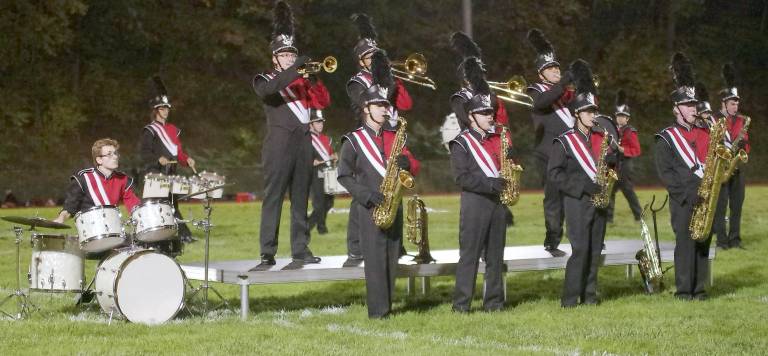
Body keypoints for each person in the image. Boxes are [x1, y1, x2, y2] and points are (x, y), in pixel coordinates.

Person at [251, 1, 330, 267]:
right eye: (284, 55)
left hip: (304, 143)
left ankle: (300, 248)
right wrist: (296, 69)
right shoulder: (263, 77)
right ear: (274, 58)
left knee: (300, 198)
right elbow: (269, 90)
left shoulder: (301, 80)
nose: (289, 58)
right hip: (278, 144)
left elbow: (323, 102)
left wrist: (314, 78)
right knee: (274, 198)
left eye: (291, 55)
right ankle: (267, 251)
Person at [336, 82, 419, 319]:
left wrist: (408, 165)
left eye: (386, 105)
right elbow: (344, 175)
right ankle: (378, 311)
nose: (385, 110)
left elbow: (413, 165)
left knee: (392, 258)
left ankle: (388, 305)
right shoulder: (353, 140)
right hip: (370, 205)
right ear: (366, 108)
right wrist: (366, 195)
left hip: (394, 202)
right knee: (374, 260)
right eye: (379, 105)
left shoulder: (395, 136)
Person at [344, 14, 413, 265]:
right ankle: (355, 247)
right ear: (361, 60)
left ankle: (397, 243)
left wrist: (394, 81)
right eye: (369, 56)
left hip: (392, 137)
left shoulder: (388, 79)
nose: (374, 60)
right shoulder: (356, 81)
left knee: (394, 189)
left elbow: (406, 104)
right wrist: (384, 82)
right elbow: (362, 102)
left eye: (376, 55)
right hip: (368, 139)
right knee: (362, 193)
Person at [449, 60, 510, 312]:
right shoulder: (460, 143)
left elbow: (505, 164)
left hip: (497, 203)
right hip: (475, 203)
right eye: (485, 114)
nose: (490, 116)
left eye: (490, 113)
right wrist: (490, 184)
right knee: (470, 256)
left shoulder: (498, 139)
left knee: (496, 256)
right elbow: (461, 177)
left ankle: (493, 303)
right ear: (471, 117)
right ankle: (461, 305)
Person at [548, 59, 608, 307]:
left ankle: (590, 296)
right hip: (576, 201)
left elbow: (606, 167)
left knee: (595, 251)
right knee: (581, 249)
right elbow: (555, 175)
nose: (593, 116)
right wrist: (582, 186)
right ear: (577, 114)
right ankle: (571, 299)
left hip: (599, 200)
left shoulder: (601, 138)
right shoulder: (563, 142)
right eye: (588, 112)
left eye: (594, 111)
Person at [654, 52, 712, 300]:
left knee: (703, 243)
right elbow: (665, 172)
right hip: (683, 200)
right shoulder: (666, 137)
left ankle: (699, 289)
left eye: (694, 105)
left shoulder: (705, 132)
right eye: (688, 105)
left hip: (707, 196)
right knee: (686, 243)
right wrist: (686, 196)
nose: (693, 109)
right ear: (676, 109)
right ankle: (684, 290)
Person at [525, 29, 575, 257]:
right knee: (554, 198)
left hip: (570, 152)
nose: (556, 70)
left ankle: (579, 238)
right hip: (548, 152)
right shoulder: (534, 90)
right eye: (551, 68)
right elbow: (542, 103)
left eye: (558, 67)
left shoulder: (565, 94)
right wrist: (563, 83)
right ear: (541, 73)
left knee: (575, 196)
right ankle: (552, 241)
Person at [139, 76, 196, 246]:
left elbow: (177, 152)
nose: (166, 111)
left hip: (171, 172)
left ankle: (180, 234)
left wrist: (187, 160)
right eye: (162, 109)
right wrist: (158, 159)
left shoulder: (172, 130)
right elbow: (144, 153)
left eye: (167, 108)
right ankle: (170, 234)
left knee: (172, 204)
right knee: (158, 205)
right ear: (156, 110)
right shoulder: (150, 130)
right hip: (155, 173)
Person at [54, 138, 140, 224]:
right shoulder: (84, 179)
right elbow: (70, 207)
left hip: (114, 230)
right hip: (91, 232)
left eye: (115, 153)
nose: (115, 157)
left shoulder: (122, 179)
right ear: (99, 160)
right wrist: (61, 218)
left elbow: (134, 206)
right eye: (109, 154)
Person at [712, 63, 750, 250]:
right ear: (724, 104)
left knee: (737, 206)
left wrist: (744, 148)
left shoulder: (742, 121)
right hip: (721, 168)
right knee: (720, 207)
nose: (736, 106)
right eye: (733, 103)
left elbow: (746, 144)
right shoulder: (714, 120)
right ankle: (721, 241)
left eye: (737, 103)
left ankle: (735, 240)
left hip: (737, 168)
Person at [607, 90, 642, 223]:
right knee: (609, 191)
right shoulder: (612, 130)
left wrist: (623, 149)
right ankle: (609, 219)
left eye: (623, 116)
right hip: (613, 164)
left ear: (627, 118)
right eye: (618, 116)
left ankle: (639, 215)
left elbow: (637, 150)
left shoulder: (630, 131)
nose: (620, 118)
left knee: (628, 191)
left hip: (625, 165)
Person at [307, 109, 337, 235]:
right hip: (316, 174)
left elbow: (332, 154)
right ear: (311, 124)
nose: (321, 125)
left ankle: (307, 226)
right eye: (317, 122)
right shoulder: (307, 140)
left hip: (329, 173)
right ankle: (321, 228)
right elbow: (309, 161)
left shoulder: (326, 139)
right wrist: (322, 161)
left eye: (321, 122)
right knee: (319, 203)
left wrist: (335, 156)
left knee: (329, 202)